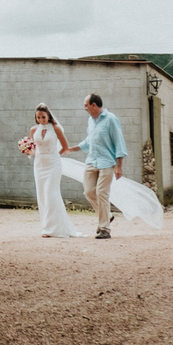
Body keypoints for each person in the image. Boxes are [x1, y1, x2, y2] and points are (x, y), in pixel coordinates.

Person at [65, 93, 127, 239]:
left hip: (107, 162)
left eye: (86, 105)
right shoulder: (90, 121)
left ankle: (104, 229)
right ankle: (108, 215)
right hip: (92, 161)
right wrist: (70, 149)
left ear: (93, 105)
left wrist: (119, 166)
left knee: (101, 193)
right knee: (88, 192)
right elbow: (88, 142)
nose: (84, 108)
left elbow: (119, 142)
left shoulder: (111, 119)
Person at [27, 104, 81, 238]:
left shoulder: (56, 128)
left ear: (49, 116)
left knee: (50, 192)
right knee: (42, 195)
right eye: (38, 117)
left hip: (53, 165)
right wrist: (28, 150)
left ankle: (50, 229)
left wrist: (54, 155)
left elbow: (65, 147)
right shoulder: (34, 130)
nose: (41, 120)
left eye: (43, 117)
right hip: (39, 165)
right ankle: (48, 226)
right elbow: (34, 149)